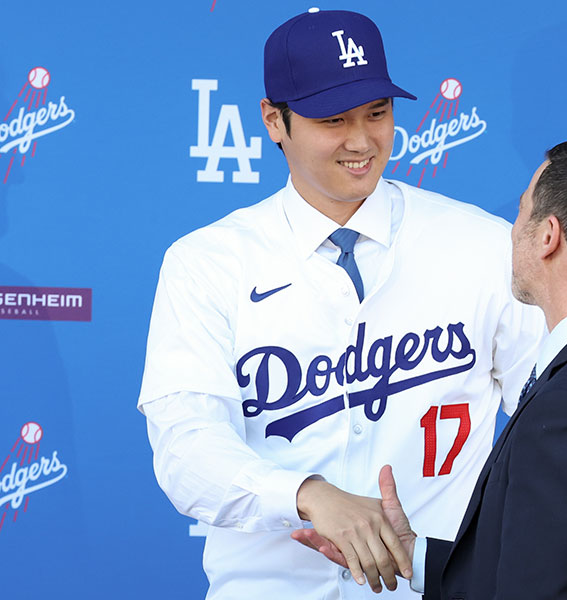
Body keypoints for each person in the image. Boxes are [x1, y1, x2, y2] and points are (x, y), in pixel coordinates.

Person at [137, 9, 543, 599]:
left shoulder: (481, 246)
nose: (362, 141)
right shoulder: (207, 262)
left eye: (377, 113)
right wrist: (305, 493)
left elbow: (558, 409)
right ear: (274, 121)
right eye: (333, 119)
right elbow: (186, 449)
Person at [298, 139, 567, 599]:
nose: (511, 230)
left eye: (522, 211)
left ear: (548, 236)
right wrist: (413, 554)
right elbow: (556, 560)